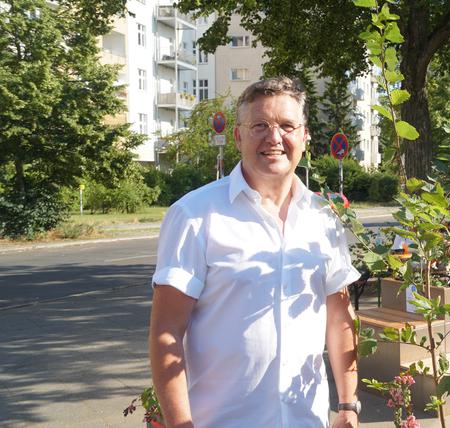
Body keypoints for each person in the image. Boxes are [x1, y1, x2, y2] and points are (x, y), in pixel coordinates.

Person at [149, 77, 361, 428]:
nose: (274, 138)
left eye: (287, 126)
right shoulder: (194, 215)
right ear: (238, 136)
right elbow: (166, 331)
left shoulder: (324, 218)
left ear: (304, 137)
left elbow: (339, 316)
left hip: (306, 419)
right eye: (260, 125)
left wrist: (348, 405)